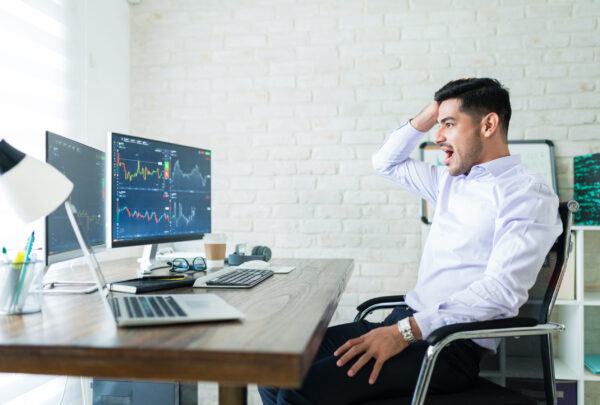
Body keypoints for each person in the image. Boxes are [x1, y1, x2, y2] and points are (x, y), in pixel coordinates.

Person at [258, 78, 563, 405]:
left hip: (448, 346)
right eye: (438, 123)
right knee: (274, 366)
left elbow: (501, 293)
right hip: (406, 322)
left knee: (299, 392)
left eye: (448, 124)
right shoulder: (451, 181)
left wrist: (404, 332)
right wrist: (435, 109)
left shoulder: (525, 194)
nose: (438, 136)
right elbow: (385, 162)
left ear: (488, 124)